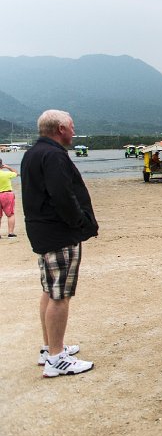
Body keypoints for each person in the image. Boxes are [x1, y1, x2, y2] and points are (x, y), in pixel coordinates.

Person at [20, 110, 98, 377]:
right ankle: (56, 359)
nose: (74, 132)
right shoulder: (53, 155)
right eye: (72, 127)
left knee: (49, 289)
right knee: (60, 295)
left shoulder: (33, 152)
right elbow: (62, 195)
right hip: (58, 233)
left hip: (41, 230)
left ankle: (50, 348)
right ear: (61, 128)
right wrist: (79, 222)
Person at [0, 158, 19, 238]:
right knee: (10, 214)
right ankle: (10, 233)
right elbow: (16, 173)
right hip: (7, 194)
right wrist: (8, 167)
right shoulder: (6, 174)